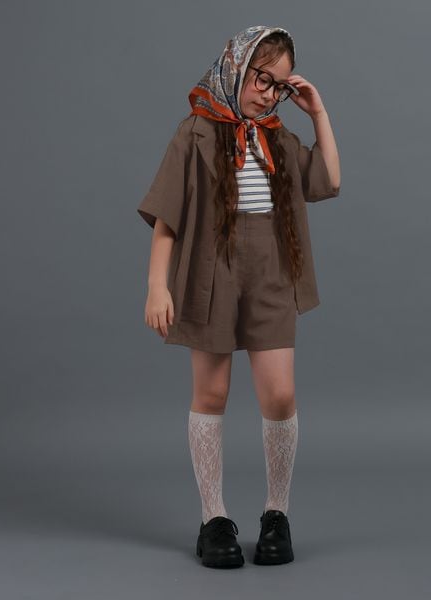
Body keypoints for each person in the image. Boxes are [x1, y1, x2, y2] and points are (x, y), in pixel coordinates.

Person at [137, 25, 341, 568]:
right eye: (261, 79)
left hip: (272, 270)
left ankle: (277, 513)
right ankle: (214, 518)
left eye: (279, 86)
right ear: (235, 68)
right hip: (212, 270)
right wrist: (157, 285)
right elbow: (167, 217)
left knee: (280, 395)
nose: (268, 94)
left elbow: (329, 180)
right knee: (212, 393)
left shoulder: (279, 136)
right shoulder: (196, 131)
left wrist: (317, 113)